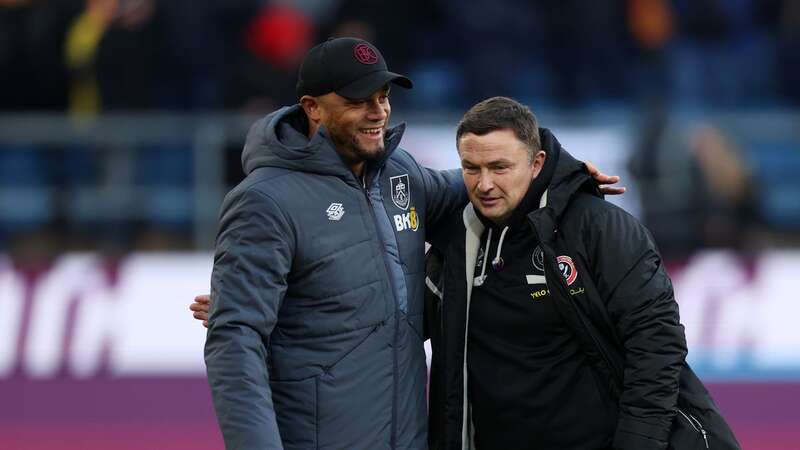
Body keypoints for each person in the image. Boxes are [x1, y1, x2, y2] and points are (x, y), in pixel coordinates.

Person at [197, 37, 622, 450]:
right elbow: (235, 343)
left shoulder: (397, 172)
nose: (377, 111)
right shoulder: (264, 201)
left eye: (383, 96)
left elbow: (476, 189)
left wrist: (558, 172)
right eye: (359, 100)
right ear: (312, 108)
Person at [424, 96, 738, 449]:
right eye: (471, 168)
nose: (484, 184)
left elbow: (656, 346)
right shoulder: (453, 243)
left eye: (499, 168)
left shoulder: (599, 229)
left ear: (537, 163)